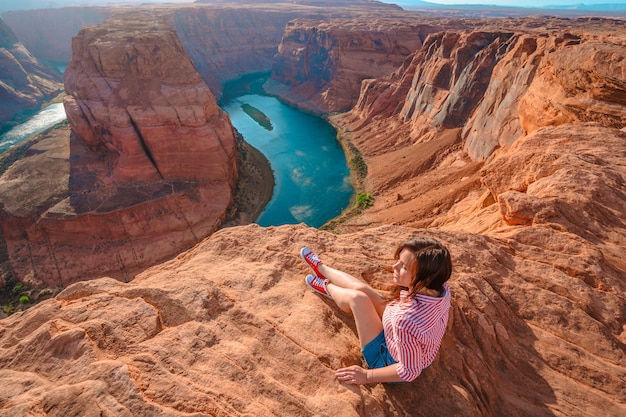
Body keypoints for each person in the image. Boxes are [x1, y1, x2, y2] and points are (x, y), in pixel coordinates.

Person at [300, 238, 452, 385]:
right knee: (362, 289)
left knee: (358, 299)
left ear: (424, 280)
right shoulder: (440, 288)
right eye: (398, 261)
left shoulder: (405, 321)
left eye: (404, 267)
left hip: (386, 359)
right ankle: (320, 268)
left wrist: (366, 376)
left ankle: (327, 287)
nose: (394, 267)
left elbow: (410, 371)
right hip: (400, 337)